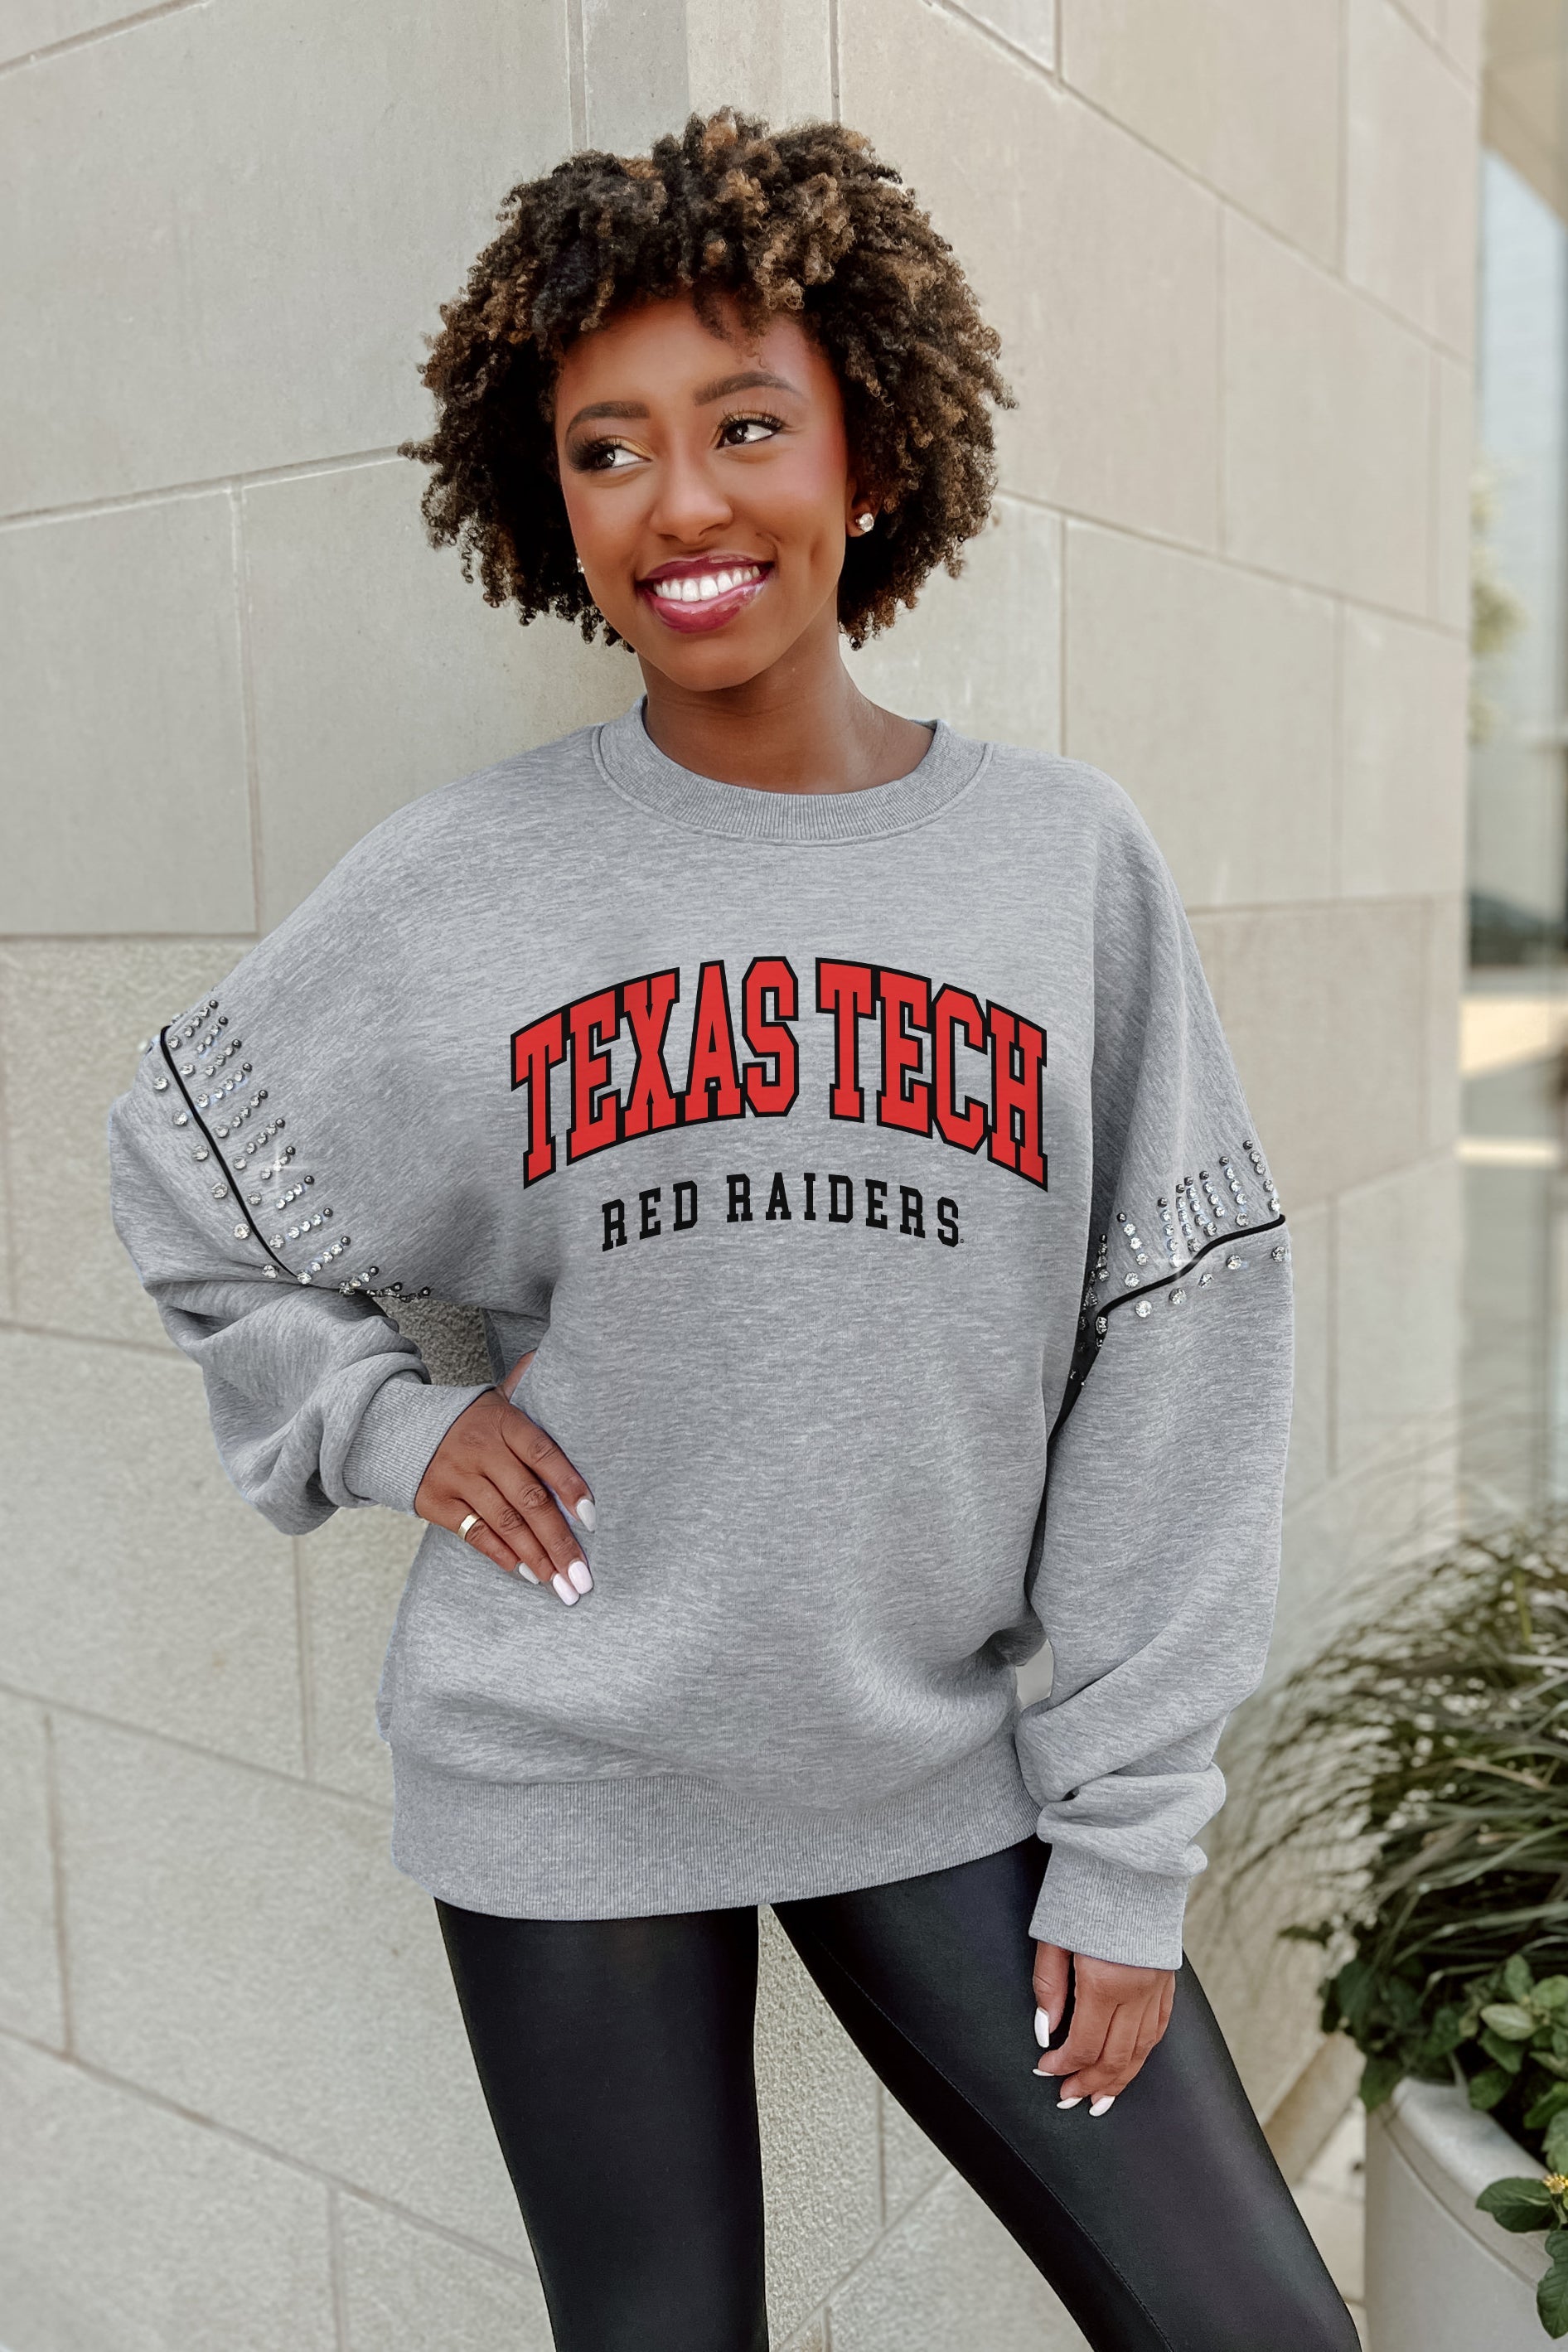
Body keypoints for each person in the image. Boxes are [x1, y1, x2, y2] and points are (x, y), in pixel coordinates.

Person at [109, 110, 1358, 2352]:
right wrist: (387, 1424)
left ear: (872, 453)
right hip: (569, 1766)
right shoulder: (461, 884)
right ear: (544, 505)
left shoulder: (1061, 867)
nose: (679, 504)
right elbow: (191, 1180)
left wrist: (1130, 1840)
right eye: (606, 450)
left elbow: (1180, 1343)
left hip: (941, 1761)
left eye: (744, 425)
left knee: (1253, 2327)